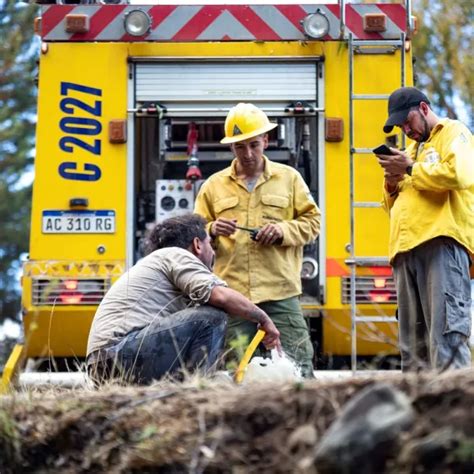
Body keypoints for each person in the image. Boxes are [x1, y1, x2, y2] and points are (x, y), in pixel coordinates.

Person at [194, 103, 321, 378]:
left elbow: (313, 223)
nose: (248, 154)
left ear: (266, 140)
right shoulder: (213, 187)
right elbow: (193, 236)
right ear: (232, 148)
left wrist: (282, 231)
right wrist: (212, 229)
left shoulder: (290, 180)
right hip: (234, 297)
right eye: (240, 147)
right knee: (234, 373)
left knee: (298, 369)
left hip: (281, 294)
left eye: (254, 145)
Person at [86, 214, 281, 385]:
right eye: (210, 245)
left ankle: (191, 388)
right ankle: (199, 391)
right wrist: (263, 318)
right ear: (197, 244)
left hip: (104, 365)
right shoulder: (175, 255)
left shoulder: (156, 265)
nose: (213, 253)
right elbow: (219, 295)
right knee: (211, 317)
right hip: (121, 355)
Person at [375, 86, 473, 371]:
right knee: (413, 350)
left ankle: (456, 413)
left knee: (446, 339)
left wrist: (409, 169)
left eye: (408, 121)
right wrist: (392, 183)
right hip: (406, 250)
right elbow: (391, 206)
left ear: (424, 109)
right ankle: (419, 413)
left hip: (441, 244)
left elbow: (460, 174)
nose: (406, 129)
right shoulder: (410, 151)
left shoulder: (454, 132)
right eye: (400, 126)